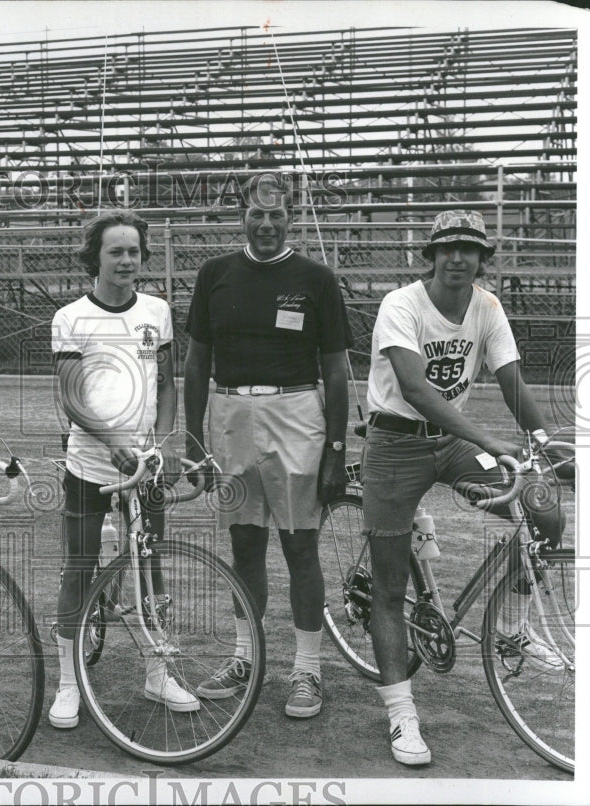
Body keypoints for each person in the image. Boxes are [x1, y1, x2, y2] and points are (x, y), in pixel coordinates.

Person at [361, 210, 565, 766]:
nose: (457, 258)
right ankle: (401, 712)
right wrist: (497, 445)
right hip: (395, 444)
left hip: (450, 444)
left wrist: (543, 440)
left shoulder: (487, 306)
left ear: (482, 259)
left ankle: (512, 630)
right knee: (388, 584)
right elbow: (417, 388)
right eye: (447, 248)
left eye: (469, 250)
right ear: (430, 255)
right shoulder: (400, 304)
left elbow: (511, 380)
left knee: (544, 511)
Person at [183, 172, 350, 718]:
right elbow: (196, 362)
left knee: (300, 546)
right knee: (245, 544)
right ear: (241, 215)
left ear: (292, 217)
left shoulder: (316, 278)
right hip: (231, 416)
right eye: (257, 213)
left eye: (277, 214)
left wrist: (336, 450)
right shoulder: (215, 274)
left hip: (297, 414)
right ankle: (245, 657)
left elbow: (337, 371)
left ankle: (307, 669)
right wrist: (192, 438)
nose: (267, 224)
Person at [49, 211, 199, 728]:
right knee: (80, 568)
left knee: (151, 565)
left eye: (134, 251)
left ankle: (158, 672)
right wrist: (112, 442)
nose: (127, 260)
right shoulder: (70, 318)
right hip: (91, 465)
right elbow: (70, 397)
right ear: (95, 258)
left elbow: (168, 384)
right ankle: (69, 683)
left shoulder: (156, 310)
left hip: (146, 468)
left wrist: (160, 441)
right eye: (116, 251)